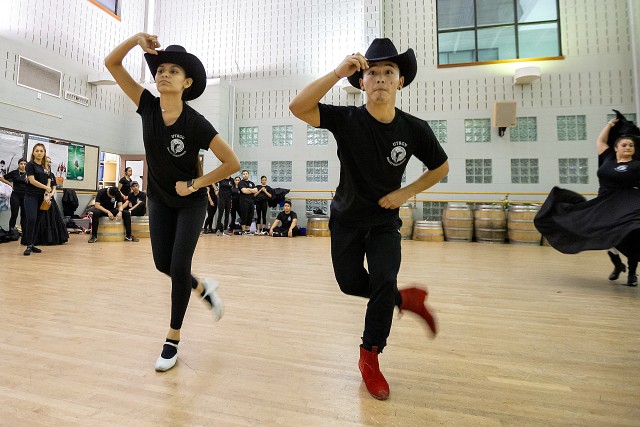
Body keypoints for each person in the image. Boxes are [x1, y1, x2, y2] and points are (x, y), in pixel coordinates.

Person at [289, 38, 449, 400]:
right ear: (361, 82)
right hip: (346, 220)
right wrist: (336, 72)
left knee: (382, 278)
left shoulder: (414, 129)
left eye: (388, 72)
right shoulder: (346, 120)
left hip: (383, 224)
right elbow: (298, 107)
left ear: (400, 81)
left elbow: (441, 167)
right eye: (371, 73)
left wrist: (406, 193)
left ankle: (370, 357)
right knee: (349, 284)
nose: (379, 78)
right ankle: (403, 299)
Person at [105, 32, 240, 372]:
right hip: (159, 200)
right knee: (163, 266)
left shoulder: (195, 123)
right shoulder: (147, 105)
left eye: (173, 71)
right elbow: (111, 64)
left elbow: (232, 163)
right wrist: (136, 40)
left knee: (178, 267)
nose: (164, 74)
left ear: (187, 82)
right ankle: (202, 286)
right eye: (160, 69)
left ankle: (172, 340)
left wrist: (196, 183)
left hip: (191, 203)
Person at [535, 118, 640, 286]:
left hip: (626, 205)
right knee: (605, 237)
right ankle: (618, 265)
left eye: (631, 145)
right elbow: (600, 141)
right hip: (604, 204)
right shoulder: (608, 158)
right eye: (624, 145)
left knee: (630, 235)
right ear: (616, 148)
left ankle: (632, 273)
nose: (628, 148)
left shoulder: (636, 165)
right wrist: (610, 125)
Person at [22, 143, 52, 256]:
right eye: (37, 151)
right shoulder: (30, 165)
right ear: (33, 152)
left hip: (42, 197)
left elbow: (48, 179)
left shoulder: (46, 166)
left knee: (38, 221)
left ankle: (32, 244)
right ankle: (28, 245)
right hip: (31, 196)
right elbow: (32, 181)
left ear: (44, 153)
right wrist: (46, 187)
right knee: (31, 219)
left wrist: (47, 193)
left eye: (41, 151)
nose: (39, 153)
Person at [34, 156, 68, 246]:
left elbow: (54, 186)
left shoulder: (52, 174)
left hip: (50, 198)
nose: (48, 163)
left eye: (50, 162)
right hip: (40, 198)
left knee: (53, 218)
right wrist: (45, 194)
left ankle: (53, 238)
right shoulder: (38, 173)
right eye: (47, 161)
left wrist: (51, 194)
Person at [0, 158, 27, 231]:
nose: (23, 165)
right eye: (21, 164)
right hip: (15, 195)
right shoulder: (14, 172)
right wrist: (10, 184)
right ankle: (11, 231)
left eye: (24, 164)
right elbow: (2, 178)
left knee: (24, 215)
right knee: (14, 214)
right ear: (18, 164)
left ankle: (23, 231)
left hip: (25, 196)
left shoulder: (29, 174)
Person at [238, 170, 257, 234]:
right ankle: (244, 230)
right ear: (242, 175)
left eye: (246, 174)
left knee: (250, 216)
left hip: (251, 201)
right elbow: (244, 191)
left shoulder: (252, 183)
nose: (245, 175)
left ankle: (248, 230)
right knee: (244, 215)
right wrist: (251, 190)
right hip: (243, 201)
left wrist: (249, 189)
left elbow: (256, 190)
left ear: (248, 175)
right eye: (244, 174)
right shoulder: (241, 183)